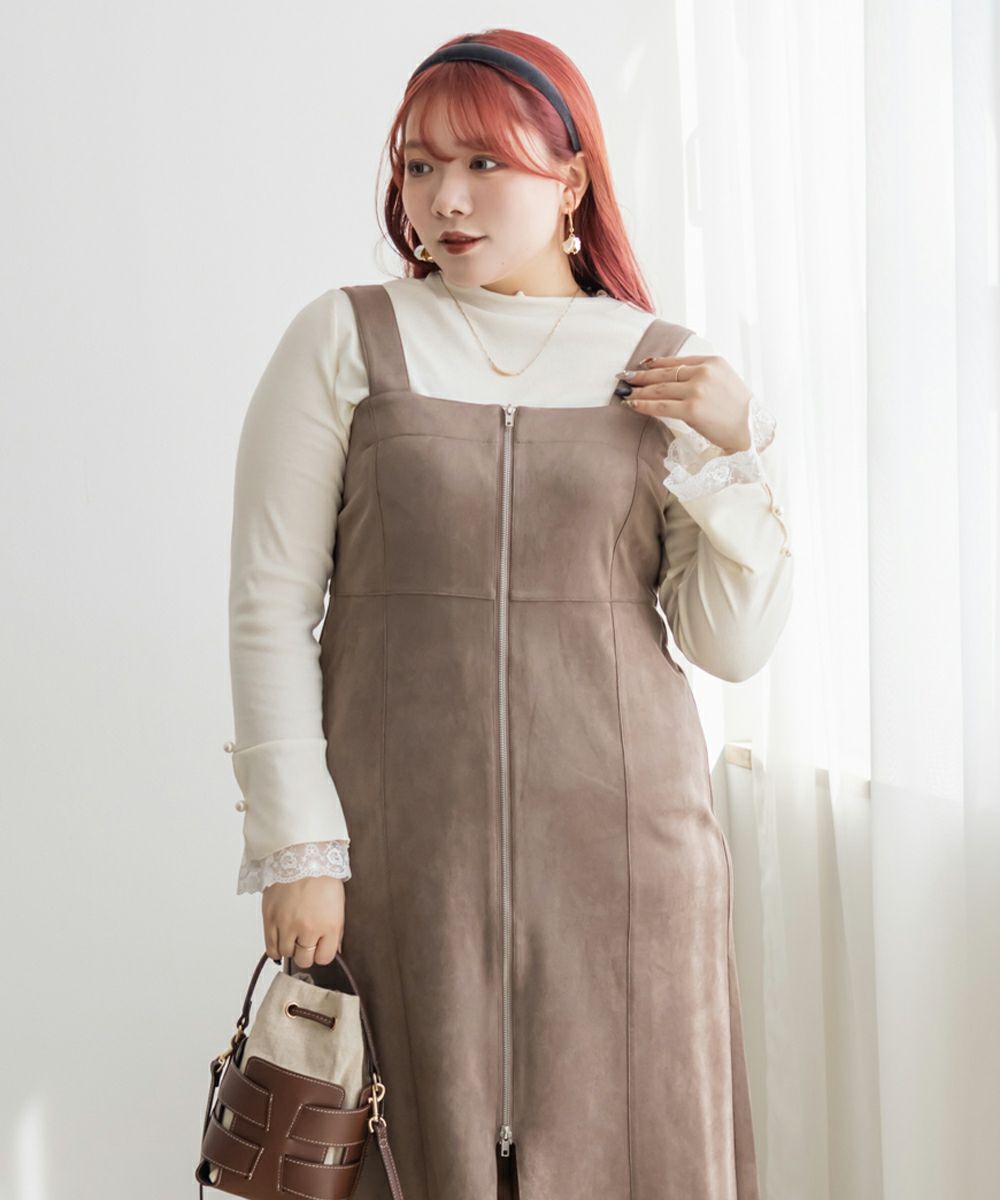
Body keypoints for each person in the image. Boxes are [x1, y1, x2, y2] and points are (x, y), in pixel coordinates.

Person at [224, 28, 792, 1200]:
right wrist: (299, 848)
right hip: (401, 854)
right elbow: (270, 605)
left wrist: (738, 454)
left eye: (484, 164)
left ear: (570, 180)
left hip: (629, 858)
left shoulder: (660, 367)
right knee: (407, 1151)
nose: (445, 199)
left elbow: (728, 644)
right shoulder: (347, 337)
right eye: (420, 166)